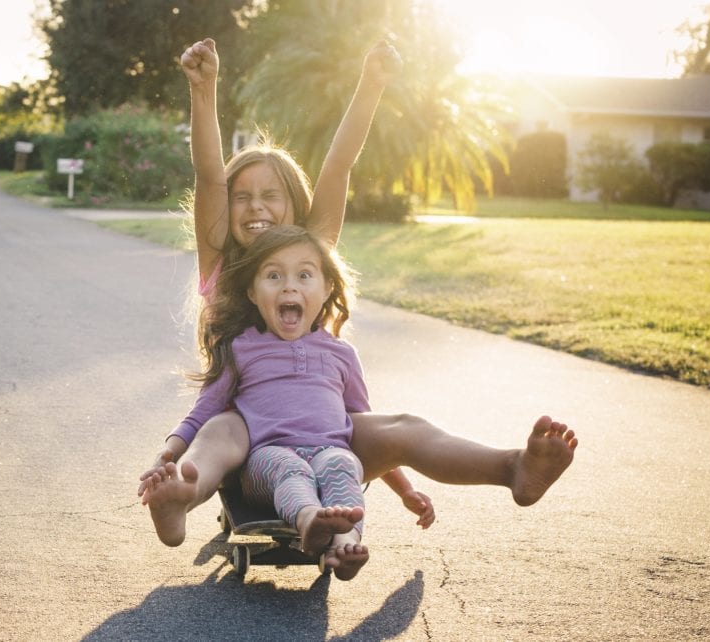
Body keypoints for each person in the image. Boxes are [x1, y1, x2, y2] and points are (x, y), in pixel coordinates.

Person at [139, 37, 577, 553]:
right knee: (220, 431)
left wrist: (371, 84)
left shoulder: (306, 256)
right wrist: (204, 90)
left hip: (325, 438)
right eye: (243, 197)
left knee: (405, 427)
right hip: (248, 444)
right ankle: (182, 496)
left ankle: (513, 469)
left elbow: (337, 168)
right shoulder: (221, 263)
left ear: (295, 209)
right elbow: (210, 175)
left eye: (270, 195)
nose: (255, 206)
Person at [171, 225, 377, 579]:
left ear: (327, 287)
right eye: (274, 275)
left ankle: (344, 543)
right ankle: (310, 519)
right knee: (287, 467)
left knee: (342, 463)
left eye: (304, 275)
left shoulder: (342, 354)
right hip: (265, 459)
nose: (289, 285)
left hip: (327, 450)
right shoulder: (242, 348)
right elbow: (204, 411)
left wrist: (406, 490)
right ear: (252, 292)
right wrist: (170, 454)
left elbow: (368, 424)